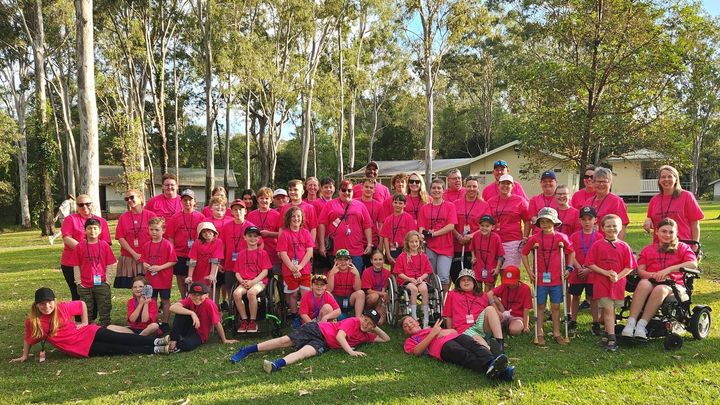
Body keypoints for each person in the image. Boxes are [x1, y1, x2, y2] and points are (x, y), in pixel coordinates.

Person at [11, 288, 172, 362]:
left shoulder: (62, 307)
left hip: (89, 332)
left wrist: (85, 322)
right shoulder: (33, 321)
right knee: (118, 349)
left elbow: (81, 304)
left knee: (120, 338)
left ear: (54, 301)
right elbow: (28, 339)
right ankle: (156, 349)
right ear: (36, 305)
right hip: (81, 348)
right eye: (42, 304)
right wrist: (24, 355)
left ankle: (157, 341)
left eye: (49, 302)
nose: (46, 306)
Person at [229, 309, 390, 374]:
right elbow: (340, 336)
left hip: (324, 343)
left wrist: (374, 328)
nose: (366, 324)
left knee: (305, 353)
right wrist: (351, 352)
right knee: (285, 341)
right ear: (361, 317)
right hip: (317, 329)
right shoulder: (353, 321)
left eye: (370, 324)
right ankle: (246, 350)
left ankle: (276, 364)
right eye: (365, 319)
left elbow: (386, 339)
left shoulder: (366, 335)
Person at [621, 218, 697, 339]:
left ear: (676, 233)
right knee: (643, 284)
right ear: (656, 232)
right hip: (651, 280)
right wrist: (654, 275)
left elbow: (693, 264)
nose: (667, 235)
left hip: (674, 285)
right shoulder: (648, 249)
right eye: (664, 231)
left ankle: (641, 325)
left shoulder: (683, 248)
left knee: (660, 289)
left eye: (671, 232)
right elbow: (640, 271)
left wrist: (668, 270)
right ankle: (631, 323)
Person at [521, 207, 574, 345]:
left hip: (557, 278)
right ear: (539, 223)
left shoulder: (561, 237)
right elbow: (524, 253)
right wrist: (529, 271)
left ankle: (557, 333)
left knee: (556, 306)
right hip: (540, 279)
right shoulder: (534, 238)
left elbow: (571, 251)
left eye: (548, 221)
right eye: (542, 221)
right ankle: (539, 333)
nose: (545, 224)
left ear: (554, 222)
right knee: (540, 305)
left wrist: (569, 267)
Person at [401, 317, 514, 381]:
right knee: (464, 354)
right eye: (406, 326)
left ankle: (491, 363)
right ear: (405, 332)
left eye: (411, 321)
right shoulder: (410, 341)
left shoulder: (431, 328)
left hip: (456, 337)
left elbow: (454, 331)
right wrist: (432, 334)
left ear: (417, 322)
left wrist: (443, 332)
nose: (409, 325)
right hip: (442, 347)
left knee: (475, 345)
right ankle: (502, 372)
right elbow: (416, 352)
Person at [586, 214, 637, 351]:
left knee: (611, 310)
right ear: (602, 228)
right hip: (602, 283)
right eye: (608, 226)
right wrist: (605, 272)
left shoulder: (624, 246)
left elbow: (630, 266)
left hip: (618, 284)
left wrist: (618, 277)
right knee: (608, 310)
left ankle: (608, 332)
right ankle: (612, 338)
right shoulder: (597, 245)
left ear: (620, 228)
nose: (612, 228)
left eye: (615, 226)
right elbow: (590, 263)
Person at [59, 194, 112, 301]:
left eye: (88, 204)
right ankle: (80, 313)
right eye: (81, 205)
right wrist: (85, 250)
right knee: (78, 294)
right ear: (77, 206)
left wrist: (92, 252)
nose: (85, 207)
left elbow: (106, 242)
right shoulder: (70, 219)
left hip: (95, 264)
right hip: (72, 264)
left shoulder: (101, 221)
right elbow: (67, 238)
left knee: (97, 294)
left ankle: (93, 313)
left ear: (92, 204)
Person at [442, 269, 505, 352]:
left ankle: (499, 343)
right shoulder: (452, 295)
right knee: (478, 339)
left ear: (474, 282)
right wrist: (451, 334)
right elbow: (449, 316)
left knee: (490, 309)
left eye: (469, 279)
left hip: (480, 325)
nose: (466, 282)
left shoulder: (483, 295)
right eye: (463, 280)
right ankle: (491, 351)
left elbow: (493, 316)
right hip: (464, 328)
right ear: (458, 283)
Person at [71, 218, 118, 327]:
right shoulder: (80, 246)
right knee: (86, 308)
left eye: (95, 228)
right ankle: (88, 327)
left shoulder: (104, 245)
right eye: (89, 228)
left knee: (105, 306)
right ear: (85, 230)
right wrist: (78, 282)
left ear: (100, 230)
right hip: (84, 284)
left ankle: (105, 326)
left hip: (102, 283)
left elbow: (110, 264)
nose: (92, 231)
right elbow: (76, 265)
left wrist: (108, 281)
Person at [318, 179, 373, 271]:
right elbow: (322, 225)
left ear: (353, 191)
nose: (346, 193)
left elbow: (367, 226)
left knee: (356, 276)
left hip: (356, 250)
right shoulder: (330, 205)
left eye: (349, 190)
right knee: (337, 277)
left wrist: (369, 244)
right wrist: (322, 245)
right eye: (343, 190)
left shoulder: (360, 205)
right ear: (339, 191)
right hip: (336, 250)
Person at [168, 282, 238, 352]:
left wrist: (224, 340)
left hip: (200, 334)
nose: (197, 297)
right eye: (194, 294)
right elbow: (172, 307)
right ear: (190, 295)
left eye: (200, 295)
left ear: (207, 295)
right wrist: (192, 313)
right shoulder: (190, 300)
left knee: (186, 345)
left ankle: (171, 345)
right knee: (181, 312)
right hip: (190, 327)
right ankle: (173, 340)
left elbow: (217, 323)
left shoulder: (209, 304)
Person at [644, 165, 703, 245]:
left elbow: (695, 224)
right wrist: (648, 220)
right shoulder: (654, 200)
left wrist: (695, 245)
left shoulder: (686, 196)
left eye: (670, 176)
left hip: (682, 245)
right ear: (659, 180)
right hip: (659, 246)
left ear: (676, 179)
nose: (666, 179)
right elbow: (650, 219)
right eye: (663, 177)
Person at [418, 178, 457, 294]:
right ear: (430, 190)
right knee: (431, 276)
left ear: (443, 190)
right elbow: (421, 228)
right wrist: (422, 236)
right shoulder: (424, 208)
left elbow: (451, 226)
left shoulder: (450, 206)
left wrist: (433, 233)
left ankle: (442, 301)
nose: (436, 190)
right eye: (434, 188)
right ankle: (432, 301)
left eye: (439, 188)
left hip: (446, 247)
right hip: (430, 247)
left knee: (443, 277)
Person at [567, 207, 601, 336]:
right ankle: (573, 320)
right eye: (584, 219)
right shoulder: (574, 236)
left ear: (595, 220)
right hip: (577, 272)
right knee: (575, 296)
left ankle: (596, 322)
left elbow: (599, 256)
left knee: (593, 298)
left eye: (589, 219)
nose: (587, 222)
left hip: (592, 272)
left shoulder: (599, 237)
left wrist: (588, 269)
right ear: (579, 221)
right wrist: (579, 268)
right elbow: (571, 253)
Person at [231, 226, 271, 333]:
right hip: (244, 281)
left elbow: (265, 272)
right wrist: (241, 281)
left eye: (255, 236)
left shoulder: (263, 253)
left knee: (251, 293)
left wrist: (253, 282)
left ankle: (253, 321)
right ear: (245, 237)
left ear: (259, 238)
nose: (252, 238)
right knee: (236, 293)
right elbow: (237, 272)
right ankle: (244, 320)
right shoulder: (241, 254)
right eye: (250, 236)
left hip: (259, 281)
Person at [277, 206, 314, 320]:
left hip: (304, 269)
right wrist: (293, 268)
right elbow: (283, 253)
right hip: (289, 270)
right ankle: (294, 314)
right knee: (292, 294)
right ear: (289, 218)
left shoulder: (306, 233)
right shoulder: (284, 234)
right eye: (293, 216)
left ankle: (304, 314)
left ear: (302, 218)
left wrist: (300, 266)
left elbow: (309, 251)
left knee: (305, 294)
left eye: (298, 216)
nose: (296, 218)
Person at [451, 176, 491, 284]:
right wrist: (458, 236)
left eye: (474, 186)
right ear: (465, 187)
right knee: (458, 277)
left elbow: (487, 226)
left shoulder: (484, 205)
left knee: (475, 278)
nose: (471, 189)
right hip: (458, 244)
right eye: (469, 186)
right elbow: (451, 224)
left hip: (476, 246)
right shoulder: (455, 204)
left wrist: (471, 236)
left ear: (478, 188)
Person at [114, 189, 157, 288]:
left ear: (140, 198)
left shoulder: (151, 215)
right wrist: (134, 254)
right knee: (135, 287)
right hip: (130, 257)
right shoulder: (123, 217)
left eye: (132, 197)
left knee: (149, 286)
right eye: (127, 199)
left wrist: (144, 255)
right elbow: (120, 237)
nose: (129, 200)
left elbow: (156, 236)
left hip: (148, 257)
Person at [486, 174, 530, 269]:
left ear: (513, 186)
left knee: (509, 273)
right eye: (503, 183)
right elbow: (486, 222)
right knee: (492, 273)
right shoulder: (490, 202)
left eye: (508, 183)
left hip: (512, 242)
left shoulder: (520, 201)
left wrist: (525, 237)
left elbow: (527, 221)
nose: (505, 186)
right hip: (494, 241)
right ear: (498, 185)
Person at [220, 199, 258, 309]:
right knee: (230, 287)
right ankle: (233, 308)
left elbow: (259, 244)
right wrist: (220, 261)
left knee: (245, 288)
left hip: (246, 265)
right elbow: (222, 245)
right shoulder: (226, 227)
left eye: (240, 209)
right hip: (229, 263)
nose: (238, 212)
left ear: (245, 211)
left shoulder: (250, 227)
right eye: (235, 210)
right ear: (231, 212)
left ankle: (246, 308)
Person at [139, 217, 177, 328]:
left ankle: (165, 322)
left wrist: (160, 267)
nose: (154, 232)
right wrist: (145, 264)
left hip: (164, 278)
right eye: (151, 229)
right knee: (152, 300)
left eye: (157, 230)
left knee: (165, 300)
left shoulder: (167, 244)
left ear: (163, 230)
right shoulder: (146, 245)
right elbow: (143, 260)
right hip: (150, 279)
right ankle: (153, 321)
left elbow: (173, 261)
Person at [167, 189, 205, 297]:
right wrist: (173, 253)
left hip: (196, 254)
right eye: (185, 200)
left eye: (190, 200)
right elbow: (171, 237)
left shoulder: (201, 217)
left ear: (194, 201)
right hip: (180, 253)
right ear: (181, 201)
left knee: (195, 277)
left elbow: (204, 237)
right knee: (181, 277)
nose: (187, 202)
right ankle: (184, 298)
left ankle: (195, 298)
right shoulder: (175, 218)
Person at [393, 231, 432, 327]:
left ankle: (426, 317)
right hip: (406, 280)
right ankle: (414, 317)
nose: (414, 244)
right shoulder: (402, 256)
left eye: (416, 241)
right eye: (412, 242)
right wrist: (409, 279)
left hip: (419, 279)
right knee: (414, 289)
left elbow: (427, 272)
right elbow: (399, 273)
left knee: (424, 289)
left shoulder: (423, 256)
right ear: (407, 243)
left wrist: (421, 278)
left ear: (419, 242)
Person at [581, 167, 629, 239]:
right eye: (598, 181)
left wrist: (616, 243)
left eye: (604, 181)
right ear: (593, 183)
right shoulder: (588, 202)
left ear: (610, 183)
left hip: (608, 241)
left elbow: (622, 225)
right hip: (590, 242)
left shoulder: (616, 201)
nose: (601, 184)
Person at [487, 266, 532, 336]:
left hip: (517, 316)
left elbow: (526, 309)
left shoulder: (525, 289)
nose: (510, 284)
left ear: (518, 279)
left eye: (512, 282)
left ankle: (506, 325)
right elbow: (489, 294)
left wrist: (526, 326)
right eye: (508, 282)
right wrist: (498, 311)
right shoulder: (504, 286)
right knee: (494, 297)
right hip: (503, 312)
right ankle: (501, 323)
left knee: (514, 330)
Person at [247, 187, 281, 276]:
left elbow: (282, 234)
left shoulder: (277, 215)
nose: (264, 201)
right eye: (261, 198)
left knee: (276, 279)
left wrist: (269, 234)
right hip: (255, 254)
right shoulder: (251, 215)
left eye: (267, 198)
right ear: (257, 199)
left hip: (273, 254)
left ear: (271, 200)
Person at [470, 215, 505, 292]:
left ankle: (487, 300)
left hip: (491, 268)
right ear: (479, 226)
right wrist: (473, 257)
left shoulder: (496, 238)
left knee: (488, 291)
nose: (484, 228)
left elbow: (501, 255)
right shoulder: (476, 236)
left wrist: (497, 269)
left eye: (487, 226)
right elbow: (472, 248)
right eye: (482, 225)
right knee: (477, 290)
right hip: (478, 267)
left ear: (493, 227)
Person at [379, 194, 417, 266]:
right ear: (392, 203)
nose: (397, 205)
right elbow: (386, 238)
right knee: (394, 270)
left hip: (405, 249)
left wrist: (409, 251)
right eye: (395, 202)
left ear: (405, 205)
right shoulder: (388, 219)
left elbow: (412, 236)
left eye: (400, 203)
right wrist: (388, 255)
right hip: (393, 249)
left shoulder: (408, 218)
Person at [186, 222, 224, 291]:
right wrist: (190, 276)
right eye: (204, 232)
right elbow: (192, 259)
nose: (207, 234)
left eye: (209, 231)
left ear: (213, 231)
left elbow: (215, 259)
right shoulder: (197, 242)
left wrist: (212, 274)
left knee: (206, 289)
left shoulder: (218, 242)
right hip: (198, 269)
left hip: (209, 268)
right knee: (196, 289)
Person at [328, 249, 365, 317]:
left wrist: (357, 274)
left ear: (350, 261)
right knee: (327, 293)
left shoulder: (353, 271)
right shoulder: (332, 271)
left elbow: (358, 289)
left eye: (345, 260)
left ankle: (358, 319)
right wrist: (332, 274)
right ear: (335, 261)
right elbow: (329, 290)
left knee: (361, 293)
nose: (343, 262)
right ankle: (333, 316)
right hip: (335, 300)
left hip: (349, 299)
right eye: (340, 260)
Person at [358, 178, 384, 268]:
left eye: (371, 187)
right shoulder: (354, 203)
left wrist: (380, 244)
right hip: (357, 243)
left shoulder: (379, 205)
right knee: (358, 270)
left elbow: (381, 225)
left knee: (372, 270)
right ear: (361, 188)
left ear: (374, 190)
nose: (368, 189)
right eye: (366, 187)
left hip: (373, 242)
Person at [361, 250, 391, 324]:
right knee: (374, 296)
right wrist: (382, 294)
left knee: (380, 322)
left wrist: (383, 298)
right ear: (371, 261)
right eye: (375, 259)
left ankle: (378, 311)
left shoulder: (387, 273)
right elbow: (368, 291)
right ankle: (367, 311)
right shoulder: (367, 272)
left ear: (383, 260)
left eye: (380, 259)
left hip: (381, 299)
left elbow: (384, 288)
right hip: (370, 297)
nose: (378, 262)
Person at [528, 171, 559, 235]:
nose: (547, 183)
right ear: (540, 183)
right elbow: (533, 218)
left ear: (556, 183)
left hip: (556, 235)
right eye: (544, 181)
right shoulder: (534, 200)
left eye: (550, 181)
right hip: (538, 235)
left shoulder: (561, 199)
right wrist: (545, 228)